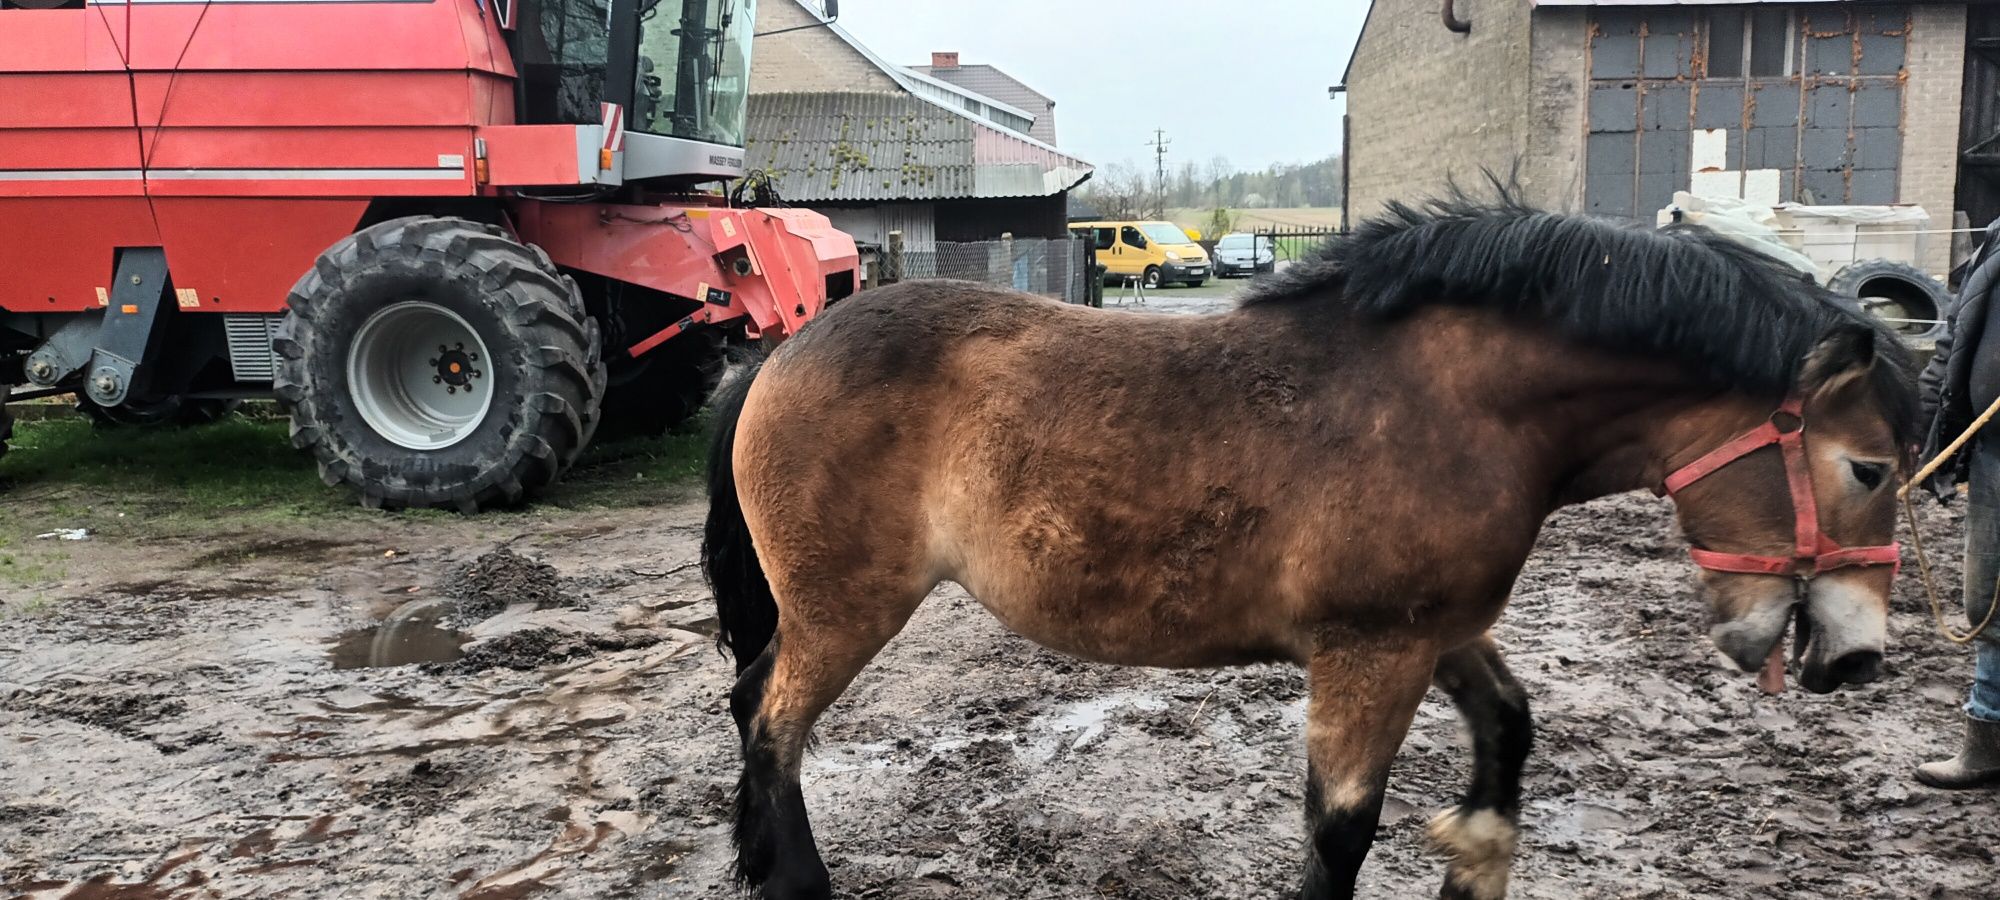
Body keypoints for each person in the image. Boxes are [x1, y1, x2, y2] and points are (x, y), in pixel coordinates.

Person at [1916, 223, 2000, 789]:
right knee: (1990, 601)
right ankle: (1988, 737)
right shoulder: (1996, 239)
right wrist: (1921, 421)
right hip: (1995, 450)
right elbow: (1954, 336)